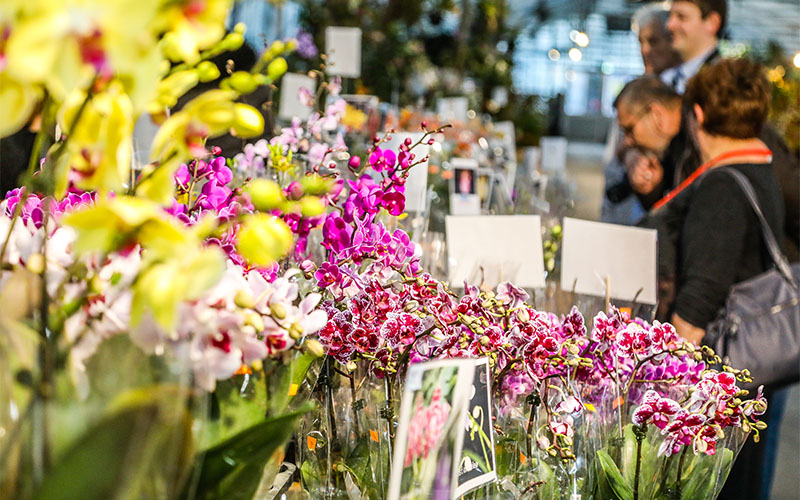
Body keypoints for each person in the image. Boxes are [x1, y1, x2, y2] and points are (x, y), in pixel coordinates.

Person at [672, 58, 783, 500]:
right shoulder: (761, 169)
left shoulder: (723, 184)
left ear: (698, 115)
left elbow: (701, 293)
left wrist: (670, 379)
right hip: (747, 370)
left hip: (717, 373)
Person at [601, 4, 680, 224]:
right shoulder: (635, 90)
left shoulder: (683, 92)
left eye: (653, 41)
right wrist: (627, 153)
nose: (645, 50)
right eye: (640, 42)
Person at [661, 0, 725, 93]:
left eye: (681, 17)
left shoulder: (724, 82)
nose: (669, 25)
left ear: (712, 23)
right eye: (669, 16)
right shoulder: (668, 78)